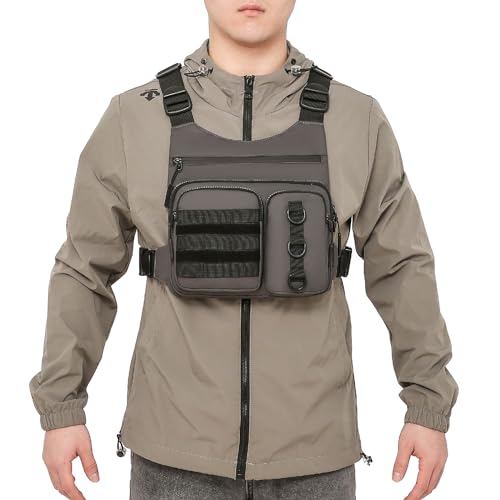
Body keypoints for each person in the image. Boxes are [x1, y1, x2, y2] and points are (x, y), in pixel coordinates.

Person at [28, 1, 459, 499]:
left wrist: (427, 404)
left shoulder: (355, 118)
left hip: (314, 457)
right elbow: (84, 269)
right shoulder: (134, 117)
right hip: (173, 457)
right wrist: (62, 408)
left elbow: (402, 266)